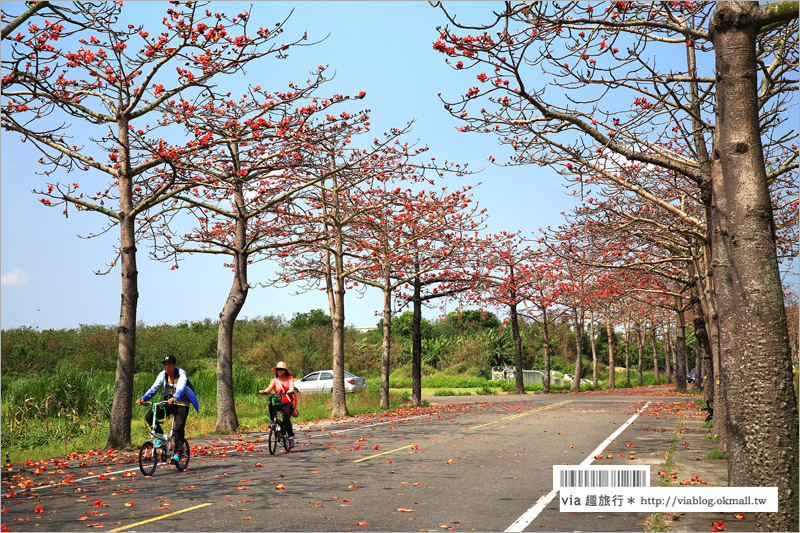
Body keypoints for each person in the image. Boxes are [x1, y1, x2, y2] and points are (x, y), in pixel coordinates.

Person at [136, 355, 199, 465]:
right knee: (150, 415)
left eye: (169, 364)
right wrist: (143, 398)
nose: (166, 366)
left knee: (179, 427)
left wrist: (177, 397)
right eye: (165, 364)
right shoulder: (162, 375)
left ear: (175, 365)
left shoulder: (181, 374)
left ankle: (178, 453)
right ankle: (160, 437)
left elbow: (181, 385)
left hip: (182, 403)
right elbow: (154, 387)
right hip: (169, 401)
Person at [259, 361, 297, 447]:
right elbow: (269, 388)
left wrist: (290, 391)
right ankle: (273, 420)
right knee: (271, 404)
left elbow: (291, 387)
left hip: (287, 403)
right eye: (278, 370)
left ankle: (290, 438)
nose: (279, 371)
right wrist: (264, 392)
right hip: (278, 401)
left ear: (285, 371)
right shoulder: (275, 380)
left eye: (281, 369)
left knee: (286, 420)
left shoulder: (290, 378)